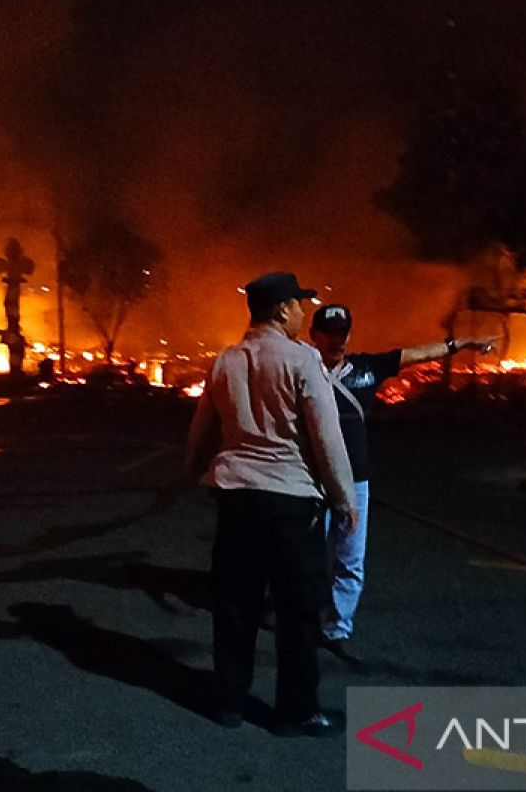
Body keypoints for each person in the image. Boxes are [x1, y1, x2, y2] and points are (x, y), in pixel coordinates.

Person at [184, 272, 357, 738]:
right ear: (282, 310)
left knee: (235, 604)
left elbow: (200, 434)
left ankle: (229, 703)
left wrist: (192, 477)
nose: (304, 312)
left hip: (236, 499)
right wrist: (343, 497)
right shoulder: (302, 360)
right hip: (289, 501)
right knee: (298, 610)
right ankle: (296, 711)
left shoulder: (225, 361)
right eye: (299, 305)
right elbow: (326, 436)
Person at [307, 303, 495, 664]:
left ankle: (336, 629)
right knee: (307, 554)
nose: (337, 339)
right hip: (312, 479)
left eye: (342, 331)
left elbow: (416, 354)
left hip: (355, 481)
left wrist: (463, 343)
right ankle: (298, 618)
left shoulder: (365, 369)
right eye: (329, 332)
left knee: (350, 558)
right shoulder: (302, 370)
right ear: (314, 336)